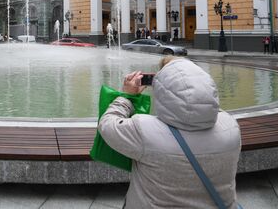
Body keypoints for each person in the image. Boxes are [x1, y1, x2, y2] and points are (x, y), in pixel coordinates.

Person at [98, 57, 241, 208]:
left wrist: (127, 96)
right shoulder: (231, 127)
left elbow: (107, 124)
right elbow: (204, 107)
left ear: (162, 88)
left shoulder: (144, 130)